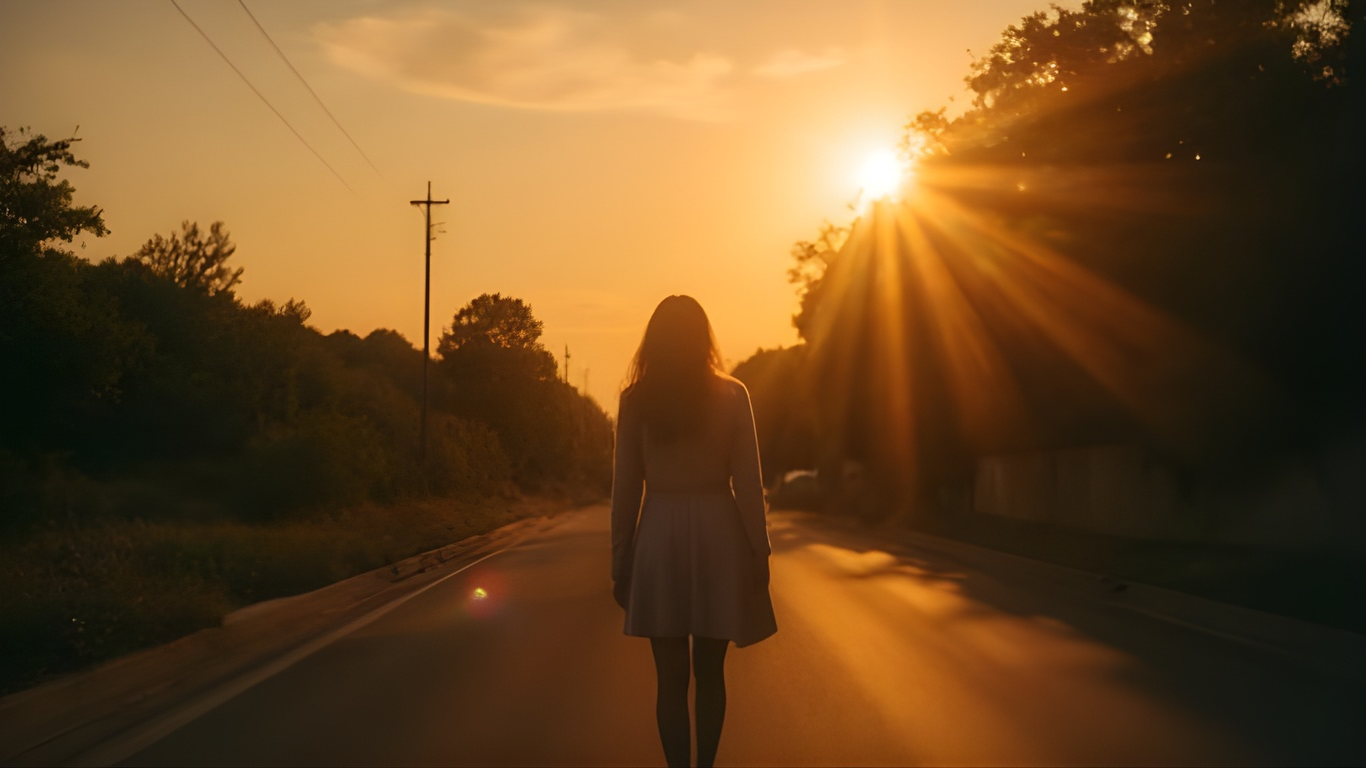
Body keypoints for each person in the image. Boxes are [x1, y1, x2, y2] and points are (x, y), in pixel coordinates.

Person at [611, 295, 778, 768]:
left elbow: (625, 489)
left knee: (669, 681)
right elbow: (749, 481)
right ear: (704, 336)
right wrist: (758, 552)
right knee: (711, 672)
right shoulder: (732, 394)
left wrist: (620, 561)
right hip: (718, 532)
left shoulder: (636, 401)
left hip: (659, 534)